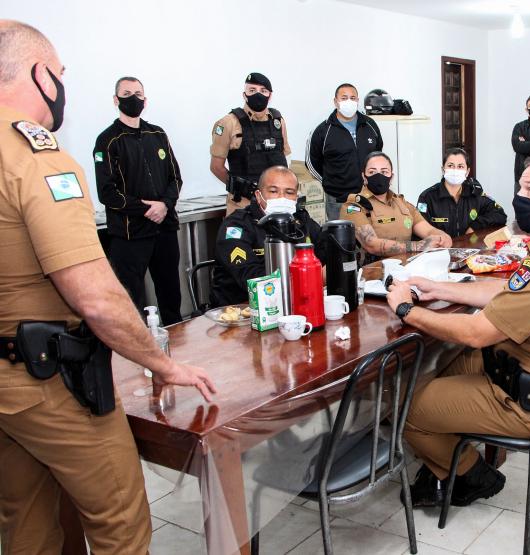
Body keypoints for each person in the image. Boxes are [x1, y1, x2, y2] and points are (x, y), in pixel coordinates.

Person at [0, 21, 216, 554]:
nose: (62, 85)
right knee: (120, 522)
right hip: (48, 381)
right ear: (39, 74)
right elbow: (95, 296)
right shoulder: (35, 157)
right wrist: (164, 365)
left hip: (6, 383)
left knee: (28, 523)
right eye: (60, 73)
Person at [385, 152, 530, 507]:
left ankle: (470, 473)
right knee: (444, 365)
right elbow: (509, 290)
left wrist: (406, 309)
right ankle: (448, 455)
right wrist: (439, 289)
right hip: (528, 371)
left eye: (529, 188)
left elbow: (476, 332)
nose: (519, 196)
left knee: (404, 406)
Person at [93, 76, 183, 325]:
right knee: (132, 300)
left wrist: (164, 204)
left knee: (171, 296)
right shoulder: (107, 140)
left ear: (145, 99)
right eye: (127, 93)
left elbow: (175, 178)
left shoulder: (158, 133)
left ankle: (179, 350)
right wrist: (146, 209)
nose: (134, 98)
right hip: (130, 234)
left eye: (138, 93)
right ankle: (137, 356)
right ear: (116, 100)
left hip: (164, 228)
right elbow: (107, 192)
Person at [211, 166, 328, 307]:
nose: (281, 198)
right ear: (258, 195)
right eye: (273, 191)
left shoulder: (301, 220)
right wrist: (313, 277)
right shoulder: (237, 226)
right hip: (243, 309)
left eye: (289, 192)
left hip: (295, 303)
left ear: (296, 197)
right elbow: (250, 278)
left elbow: (327, 249)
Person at [340, 152, 451, 262]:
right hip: (373, 273)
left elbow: (428, 230)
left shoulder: (401, 203)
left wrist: (442, 237)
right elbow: (371, 244)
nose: (378, 176)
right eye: (372, 172)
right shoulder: (354, 206)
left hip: (408, 269)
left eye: (384, 171)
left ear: (391, 177)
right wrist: (418, 246)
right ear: (364, 176)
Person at [210, 72, 290, 216]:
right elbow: (216, 167)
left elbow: (284, 159)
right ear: (244, 94)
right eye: (252, 90)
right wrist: (240, 187)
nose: (257, 94)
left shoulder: (278, 122)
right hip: (243, 206)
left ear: (270, 95)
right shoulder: (228, 123)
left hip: (275, 206)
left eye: (263, 91)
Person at [309, 83, 384, 221]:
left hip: (368, 196)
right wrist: (332, 182)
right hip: (338, 199)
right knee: (340, 239)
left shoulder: (370, 125)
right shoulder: (323, 130)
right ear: (335, 102)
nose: (349, 101)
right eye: (344, 98)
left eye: (353, 98)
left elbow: (378, 154)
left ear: (357, 101)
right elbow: (312, 163)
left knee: (369, 238)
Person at [416, 147, 507, 237]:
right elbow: (419, 230)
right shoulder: (427, 197)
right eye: (450, 166)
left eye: (460, 166)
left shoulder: (474, 194)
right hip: (440, 249)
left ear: (467, 172)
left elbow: (500, 214)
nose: (455, 170)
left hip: (468, 248)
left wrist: (475, 226)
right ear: (443, 169)